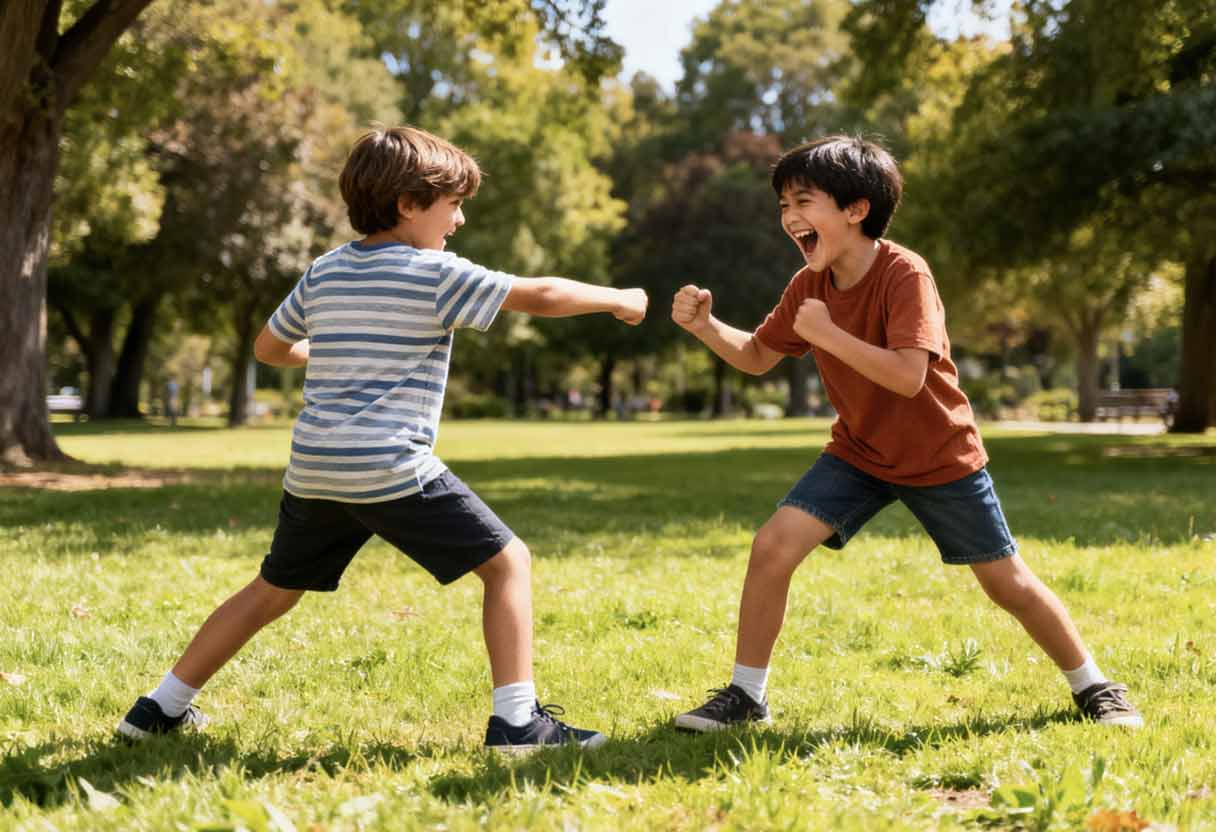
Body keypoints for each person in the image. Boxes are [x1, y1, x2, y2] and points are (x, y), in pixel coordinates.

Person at [117, 125, 648, 751]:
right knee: (508, 564)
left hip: (316, 467)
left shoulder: (325, 271)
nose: (459, 220)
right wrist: (620, 298)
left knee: (272, 590)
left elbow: (269, 347)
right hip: (388, 464)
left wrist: (333, 353)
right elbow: (543, 295)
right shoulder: (434, 273)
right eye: (453, 204)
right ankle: (517, 723)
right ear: (408, 204)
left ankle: (158, 709)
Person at [669, 135, 1142, 731]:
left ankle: (1094, 685)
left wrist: (827, 334)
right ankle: (746, 696)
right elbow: (759, 355)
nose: (789, 218)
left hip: (938, 454)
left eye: (804, 202)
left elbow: (907, 376)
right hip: (859, 452)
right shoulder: (809, 285)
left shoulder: (904, 273)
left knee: (1007, 583)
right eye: (784, 206)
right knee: (772, 547)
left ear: (856, 208)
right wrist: (707, 326)